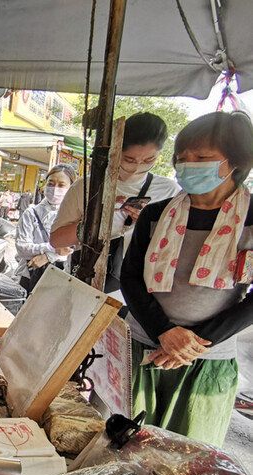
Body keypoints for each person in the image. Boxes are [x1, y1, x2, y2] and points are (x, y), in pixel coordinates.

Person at [120, 111, 253, 447]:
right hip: (142, 348)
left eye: (202, 158)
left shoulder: (250, 220)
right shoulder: (156, 214)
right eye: (182, 158)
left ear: (235, 161)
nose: (187, 165)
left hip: (206, 360)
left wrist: (193, 344)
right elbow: (130, 277)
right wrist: (164, 332)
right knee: (127, 449)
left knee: (188, 459)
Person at [50, 113, 181, 292]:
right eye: (129, 159)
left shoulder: (169, 191)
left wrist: (148, 226)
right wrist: (98, 221)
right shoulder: (87, 186)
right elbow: (56, 240)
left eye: (148, 160)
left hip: (142, 289)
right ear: (116, 151)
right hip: (90, 286)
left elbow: (176, 247)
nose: (137, 166)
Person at [15, 164, 77, 293]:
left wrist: (48, 256)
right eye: (51, 184)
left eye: (61, 185)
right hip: (32, 275)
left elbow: (73, 249)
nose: (55, 189)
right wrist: (55, 249)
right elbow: (22, 248)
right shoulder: (31, 213)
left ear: (71, 187)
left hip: (64, 277)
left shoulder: (76, 216)